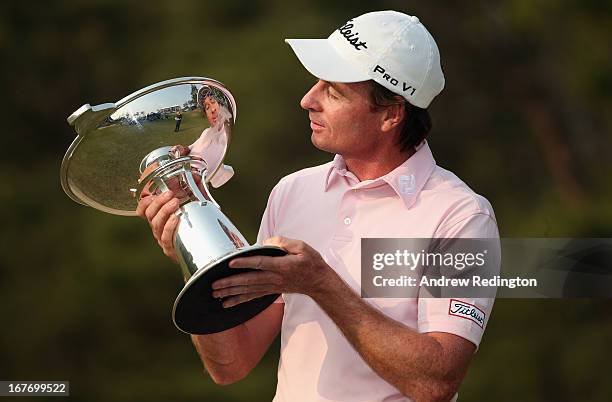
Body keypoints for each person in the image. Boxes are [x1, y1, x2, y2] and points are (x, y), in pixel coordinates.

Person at [137, 10, 499, 402]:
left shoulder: (461, 216)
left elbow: (437, 382)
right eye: (318, 83)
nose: (308, 99)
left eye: (335, 91)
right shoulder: (292, 192)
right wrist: (191, 252)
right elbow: (232, 364)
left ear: (391, 113)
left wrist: (321, 284)